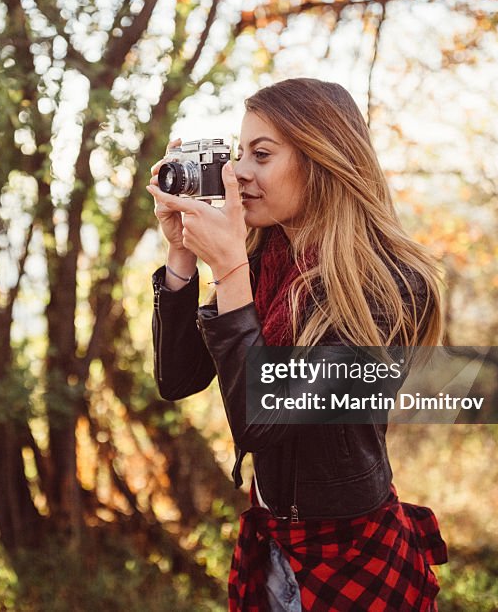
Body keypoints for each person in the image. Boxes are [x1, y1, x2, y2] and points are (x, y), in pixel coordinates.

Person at [146, 78, 448, 611]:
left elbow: (265, 420)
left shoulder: (393, 287)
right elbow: (178, 379)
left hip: (350, 553)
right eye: (240, 153)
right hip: (272, 541)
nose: (238, 172)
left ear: (322, 159)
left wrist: (231, 269)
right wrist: (182, 257)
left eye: (261, 155)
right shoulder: (266, 258)